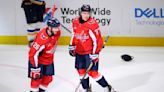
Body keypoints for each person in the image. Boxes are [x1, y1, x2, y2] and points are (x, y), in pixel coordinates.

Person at [69, 4, 116, 92]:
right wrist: (71, 45)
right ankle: (86, 89)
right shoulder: (75, 21)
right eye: (84, 13)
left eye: (88, 13)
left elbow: (97, 40)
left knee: (93, 73)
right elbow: (73, 34)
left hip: (90, 53)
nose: (86, 15)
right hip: (79, 52)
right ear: (80, 13)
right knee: (81, 71)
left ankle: (107, 88)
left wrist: (95, 54)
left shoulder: (93, 24)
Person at [28, 18, 61, 92]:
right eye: (55, 27)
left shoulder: (57, 33)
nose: (57, 29)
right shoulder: (41, 39)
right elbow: (32, 54)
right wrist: (35, 68)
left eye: (58, 27)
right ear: (49, 28)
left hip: (48, 60)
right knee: (36, 81)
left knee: (48, 79)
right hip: (37, 62)